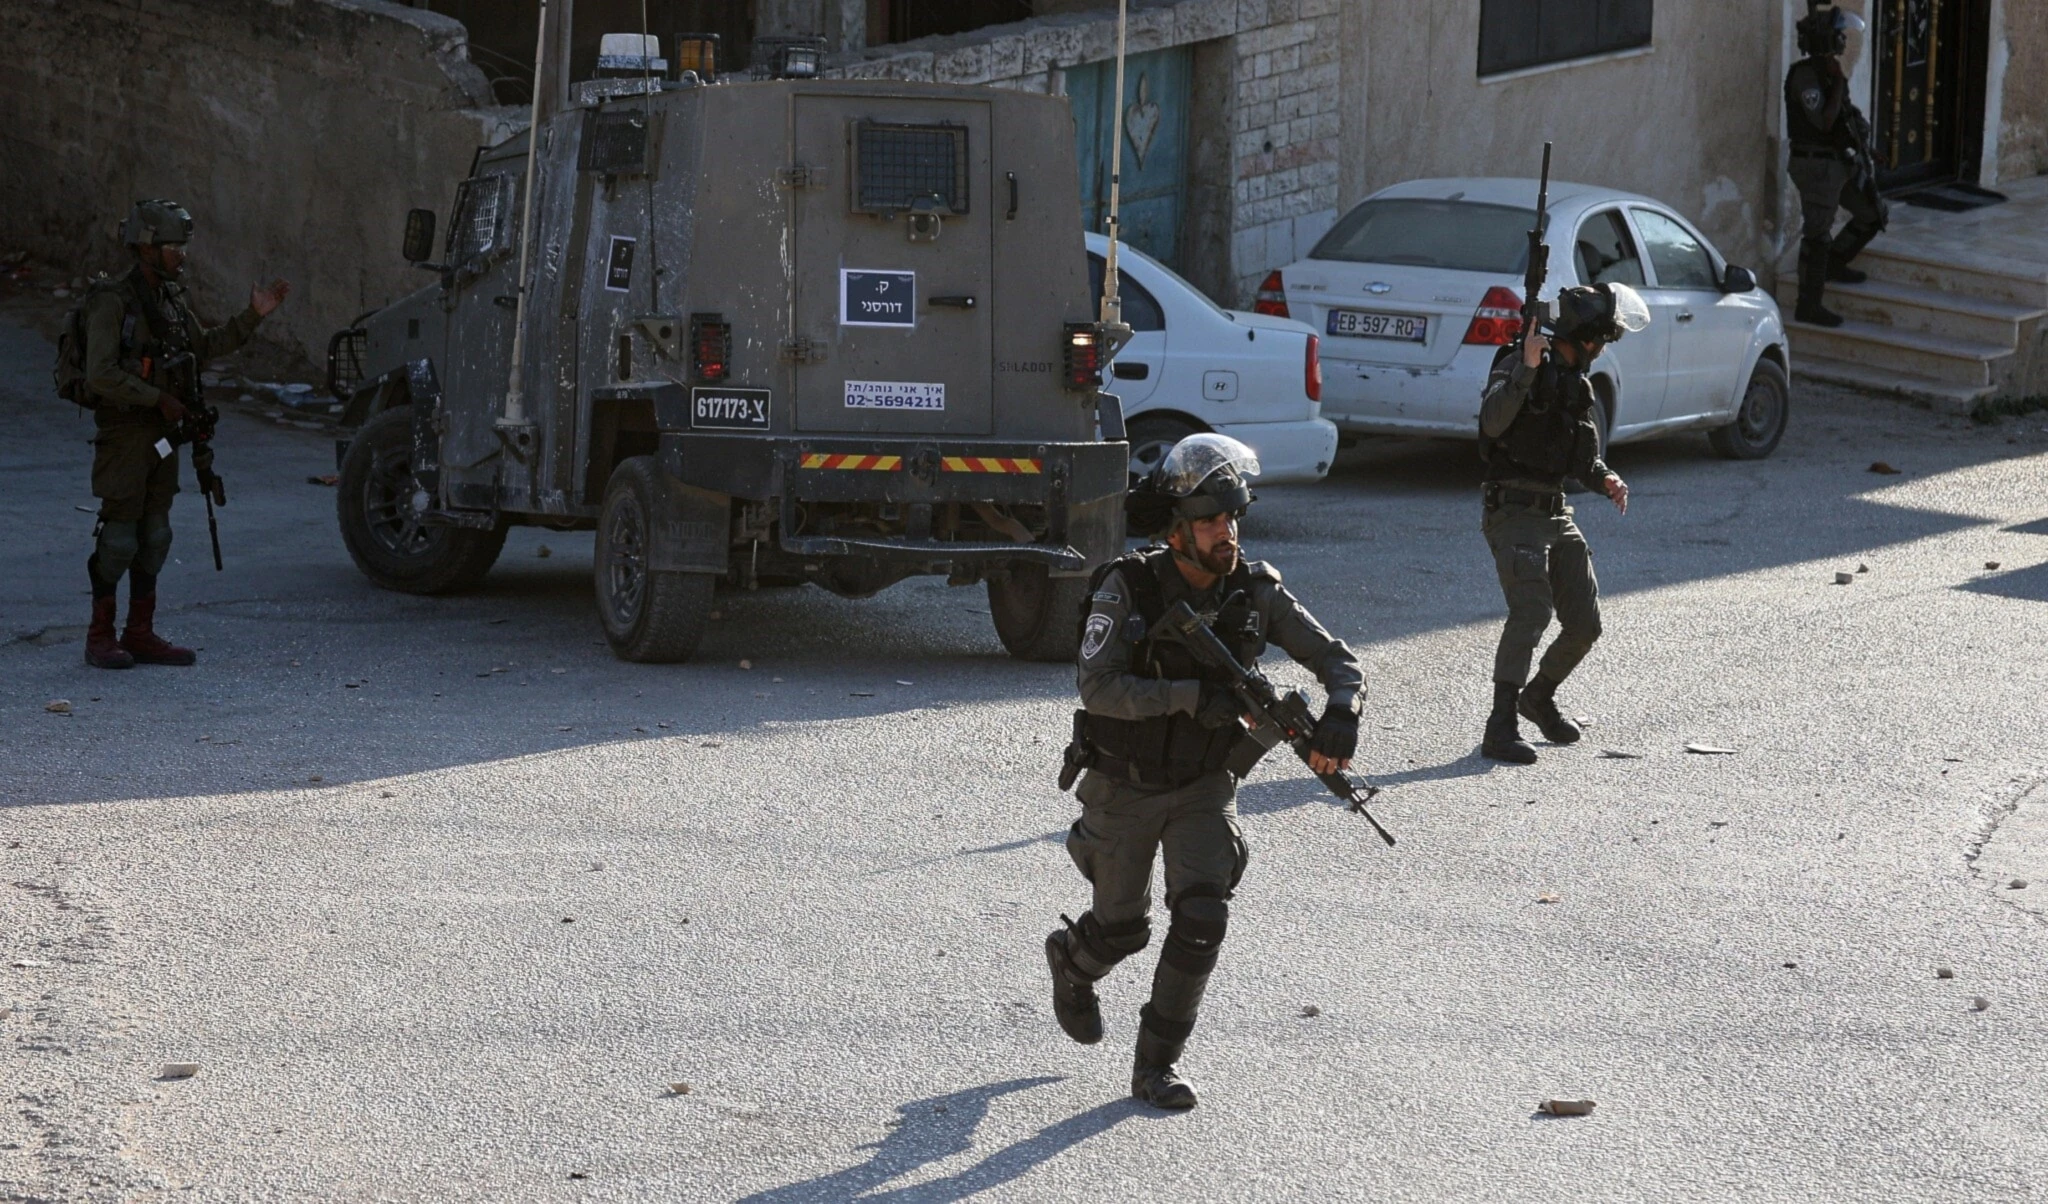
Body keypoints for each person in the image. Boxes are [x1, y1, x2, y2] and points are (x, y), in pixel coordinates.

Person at [1046, 434, 1364, 1109]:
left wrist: (1343, 711)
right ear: (1178, 530)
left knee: (1202, 917)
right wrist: (1192, 698)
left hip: (1202, 785)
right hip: (1125, 781)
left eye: (1233, 519)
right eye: (1212, 522)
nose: (1228, 534)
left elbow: (1336, 658)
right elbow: (1097, 688)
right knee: (1122, 931)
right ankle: (1072, 964)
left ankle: (1155, 1067)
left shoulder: (1255, 589)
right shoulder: (1124, 587)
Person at [79, 199, 289, 669]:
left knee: (156, 536)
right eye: (173, 246)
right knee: (118, 539)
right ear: (147, 246)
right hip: (126, 437)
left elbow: (205, 345)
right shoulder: (112, 301)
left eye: (182, 246)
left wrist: (253, 316)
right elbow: (101, 374)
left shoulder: (172, 301)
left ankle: (139, 633)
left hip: (162, 438)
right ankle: (100, 637)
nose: (182, 255)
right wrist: (157, 399)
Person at [1476, 283, 1649, 764]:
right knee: (1531, 611)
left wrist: (1607, 479)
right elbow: (1491, 423)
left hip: (1554, 511)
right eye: (1602, 340)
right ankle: (1500, 725)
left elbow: (1585, 460)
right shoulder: (1517, 363)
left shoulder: (1577, 384)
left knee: (1585, 624)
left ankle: (1538, 697)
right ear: (1586, 337)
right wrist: (1526, 373)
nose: (1602, 349)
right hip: (1511, 511)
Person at [1784, 1, 1886, 327]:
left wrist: (1867, 147)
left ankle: (1834, 266)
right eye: (1839, 35)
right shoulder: (1805, 76)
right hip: (1815, 167)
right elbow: (1824, 124)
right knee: (1817, 236)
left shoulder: (1829, 73)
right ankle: (1808, 303)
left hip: (1839, 163)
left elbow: (1845, 120)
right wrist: (1839, 84)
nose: (1843, 41)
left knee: (1872, 213)